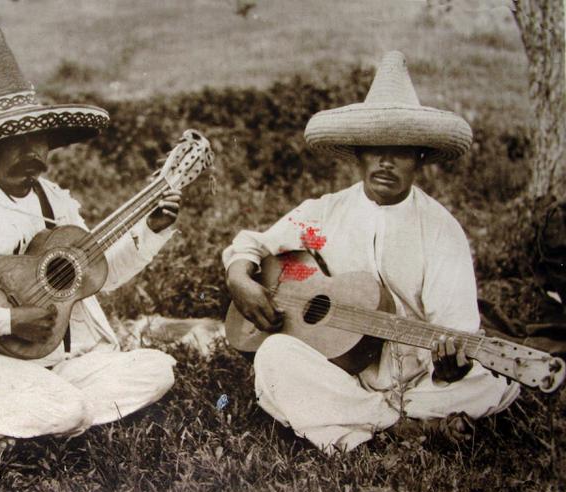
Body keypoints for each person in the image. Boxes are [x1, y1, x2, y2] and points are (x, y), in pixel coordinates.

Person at [222, 51, 519, 454]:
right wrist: (239, 277)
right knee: (274, 356)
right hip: (338, 367)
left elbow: (456, 330)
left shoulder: (440, 230)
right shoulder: (324, 215)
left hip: (419, 378)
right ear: (358, 153)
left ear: (419, 158)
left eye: (400, 150)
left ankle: (357, 427)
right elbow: (254, 243)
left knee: (490, 382)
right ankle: (405, 427)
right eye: (375, 147)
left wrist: (452, 369)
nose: (385, 161)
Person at [0, 24, 179, 445]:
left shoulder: (56, 201)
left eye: (40, 141)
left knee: (158, 368)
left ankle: (35, 418)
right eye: (16, 142)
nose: (33, 154)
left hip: (53, 358)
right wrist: (6, 319)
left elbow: (93, 278)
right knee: (69, 405)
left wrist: (151, 232)